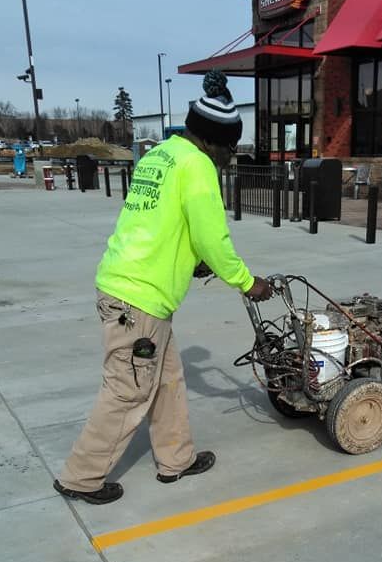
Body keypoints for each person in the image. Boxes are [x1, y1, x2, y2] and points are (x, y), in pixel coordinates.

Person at [53, 71, 271, 505]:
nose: (229, 159)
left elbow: (160, 221)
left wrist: (189, 262)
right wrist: (248, 283)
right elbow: (214, 237)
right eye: (230, 149)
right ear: (212, 140)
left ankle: (176, 460)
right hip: (138, 299)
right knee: (128, 388)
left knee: (167, 378)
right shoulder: (198, 167)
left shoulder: (160, 156)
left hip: (129, 287)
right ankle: (81, 477)